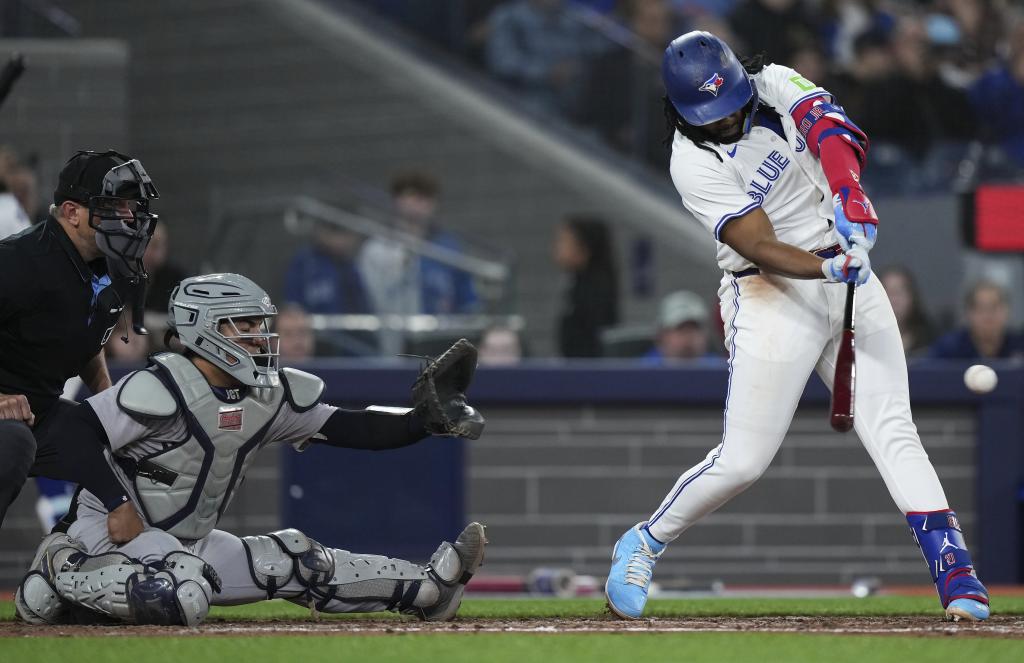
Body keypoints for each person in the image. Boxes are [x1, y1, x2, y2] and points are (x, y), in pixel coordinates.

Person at [604, 31, 989, 623]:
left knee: (891, 427)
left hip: (848, 272)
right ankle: (645, 541)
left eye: (732, 102)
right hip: (771, 290)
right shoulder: (691, 161)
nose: (729, 117)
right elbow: (758, 242)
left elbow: (831, 130)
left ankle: (955, 573)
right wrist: (829, 265)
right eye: (714, 113)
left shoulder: (773, 82)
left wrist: (849, 195)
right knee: (744, 461)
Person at [14, 273, 487, 627]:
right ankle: (61, 566)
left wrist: (423, 422)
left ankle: (431, 589)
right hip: (105, 532)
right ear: (204, 329)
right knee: (181, 591)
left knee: (296, 559)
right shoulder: (160, 386)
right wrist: (116, 503)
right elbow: (73, 433)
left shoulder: (268, 395)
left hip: (189, 543)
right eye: (244, 324)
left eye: (261, 323)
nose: (260, 335)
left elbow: (352, 428)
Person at [0, 150, 159, 542]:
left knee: (134, 443)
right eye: (113, 205)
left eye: (131, 205)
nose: (127, 217)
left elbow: (87, 337)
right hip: (10, 420)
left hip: (39, 414)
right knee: (14, 443)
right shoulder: (20, 262)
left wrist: (110, 402)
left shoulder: (107, 264)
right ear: (72, 212)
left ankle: (74, 560)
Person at [359, 171, 478, 317]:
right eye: (413, 195)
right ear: (397, 200)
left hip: (441, 334)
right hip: (390, 331)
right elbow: (367, 300)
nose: (419, 203)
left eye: (426, 197)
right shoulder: (376, 248)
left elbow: (465, 297)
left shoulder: (448, 248)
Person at [554, 215, 619, 358]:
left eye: (564, 242)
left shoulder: (596, 293)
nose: (558, 249)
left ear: (584, 249)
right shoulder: (574, 284)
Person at [930, 281, 1024, 360]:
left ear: (1007, 310)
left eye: (994, 307)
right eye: (980, 308)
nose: (988, 315)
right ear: (968, 313)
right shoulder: (948, 348)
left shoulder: (1020, 345)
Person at [642, 290, 716, 362]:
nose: (688, 337)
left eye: (695, 329)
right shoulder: (642, 370)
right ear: (661, 336)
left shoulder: (722, 369)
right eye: (681, 329)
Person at [878, 266, 935, 356]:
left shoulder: (932, 340)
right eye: (887, 293)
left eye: (898, 293)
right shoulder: (862, 339)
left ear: (912, 297)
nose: (893, 300)